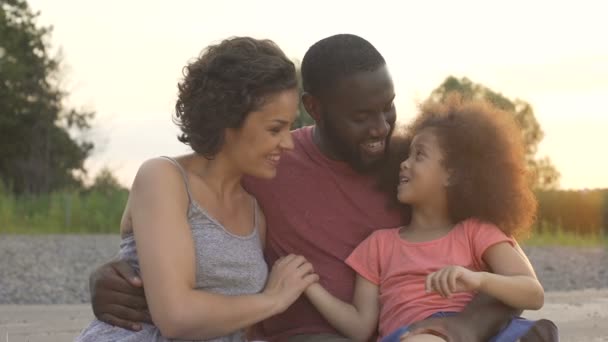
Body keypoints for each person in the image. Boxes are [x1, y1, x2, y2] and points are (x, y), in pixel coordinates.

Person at [87, 34, 558, 341]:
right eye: (361, 116)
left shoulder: (408, 164)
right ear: (315, 108)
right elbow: (185, 211)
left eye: (388, 108)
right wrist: (114, 275)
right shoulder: (266, 163)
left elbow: (493, 250)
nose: (382, 127)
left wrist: (461, 326)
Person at [75, 36, 319, 341]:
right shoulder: (163, 178)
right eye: (275, 129)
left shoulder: (255, 211)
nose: (288, 142)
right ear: (227, 120)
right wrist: (273, 300)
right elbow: (176, 317)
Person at [303, 95, 545, 342]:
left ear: (452, 175)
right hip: (410, 335)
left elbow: (533, 294)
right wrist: (310, 287)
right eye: (406, 155)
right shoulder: (378, 245)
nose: (404, 164)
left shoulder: (477, 231)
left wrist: (478, 279)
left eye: (419, 155)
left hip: (469, 333)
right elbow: (360, 327)